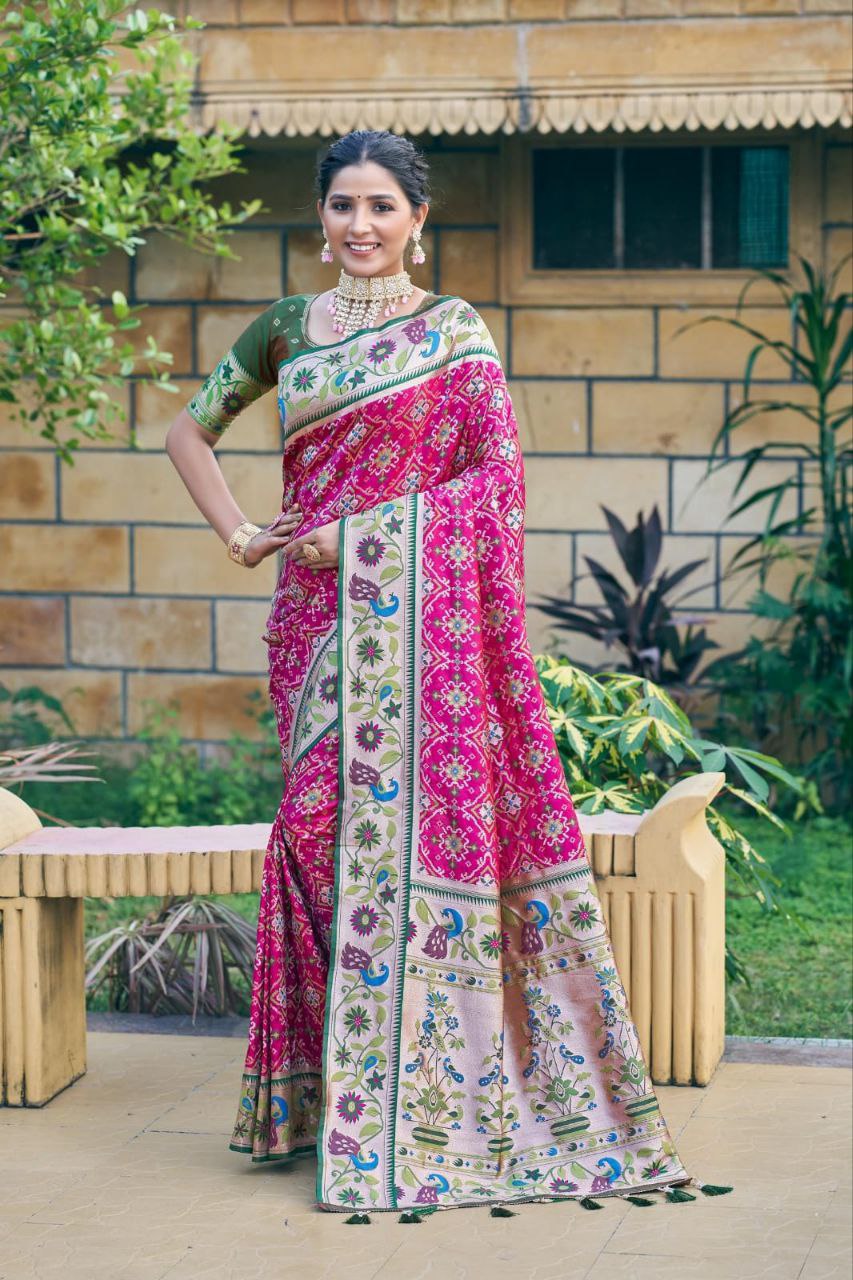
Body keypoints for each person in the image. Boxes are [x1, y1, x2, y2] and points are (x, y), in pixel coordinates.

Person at [165, 129, 729, 1220]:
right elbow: (189, 434)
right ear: (320, 216)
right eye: (342, 205)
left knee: (408, 837)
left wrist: (357, 537)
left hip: (429, 633)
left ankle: (419, 1095)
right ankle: (330, 1096)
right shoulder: (285, 329)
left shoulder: (454, 331)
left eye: (381, 205)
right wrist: (241, 532)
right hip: (314, 628)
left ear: (417, 219)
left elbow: (495, 482)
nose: (360, 225)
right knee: (314, 835)